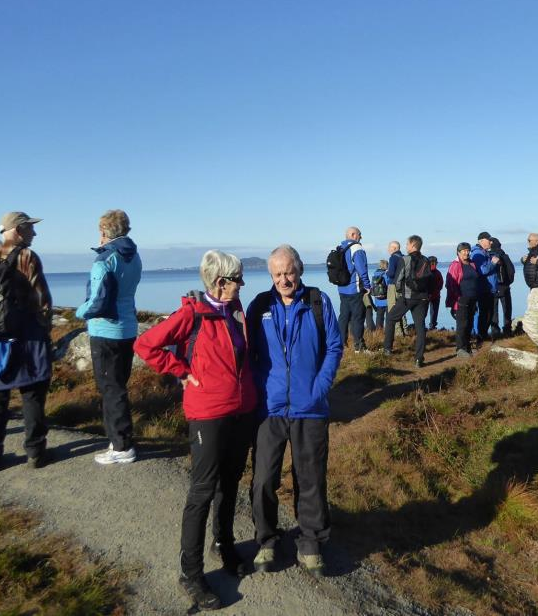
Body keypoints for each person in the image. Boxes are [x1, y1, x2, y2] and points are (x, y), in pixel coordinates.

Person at [133, 250, 256, 611]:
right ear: (220, 282)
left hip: (240, 410)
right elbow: (146, 345)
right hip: (208, 414)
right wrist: (181, 371)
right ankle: (191, 572)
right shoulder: (192, 314)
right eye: (237, 280)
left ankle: (225, 546)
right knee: (202, 491)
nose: (242, 285)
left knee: (231, 482)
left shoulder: (235, 310)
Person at [247, 245, 343, 577]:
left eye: (289, 272)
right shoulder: (260, 306)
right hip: (269, 409)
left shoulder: (318, 302)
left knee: (311, 478)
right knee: (263, 479)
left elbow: (334, 345)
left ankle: (312, 542)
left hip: (310, 408)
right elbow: (248, 353)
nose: (284, 279)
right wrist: (260, 387)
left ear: (299, 269)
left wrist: (319, 388)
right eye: (277, 274)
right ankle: (267, 540)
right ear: (270, 274)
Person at [0, 212, 53, 473]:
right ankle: (35, 452)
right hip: (27, 337)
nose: (34, 234)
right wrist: (45, 331)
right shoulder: (28, 257)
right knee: (32, 394)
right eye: (30, 229)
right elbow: (43, 300)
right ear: (17, 230)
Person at [75, 209, 142, 465]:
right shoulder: (134, 257)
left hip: (105, 330)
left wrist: (80, 312)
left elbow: (97, 301)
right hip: (127, 328)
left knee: (110, 388)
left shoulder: (105, 259)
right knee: (118, 385)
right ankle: (117, 439)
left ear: (104, 231)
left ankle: (122, 446)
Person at [383, 235, 431, 367]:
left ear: (412, 245)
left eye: (407, 244)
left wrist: (400, 291)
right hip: (422, 298)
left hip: (408, 297)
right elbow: (429, 279)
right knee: (420, 327)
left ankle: (387, 349)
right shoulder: (426, 260)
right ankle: (419, 359)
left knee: (391, 318)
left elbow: (398, 279)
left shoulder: (405, 259)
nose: (406, 246)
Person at [336, 226, 371, 353]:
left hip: (342, 289)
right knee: (358, 317)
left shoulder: (340, 248)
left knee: (344, 316)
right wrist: (367, 286)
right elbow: (362, 269)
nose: (361, 237)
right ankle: (359, 347)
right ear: (353, 234)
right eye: (359, 234)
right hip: (354, 288)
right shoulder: (356, 248)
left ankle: (340, 344)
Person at [445, 243, 478, 356]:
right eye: (463, 250)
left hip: (473, 298)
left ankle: (467, 346)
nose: (466, 252)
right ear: (458, 252)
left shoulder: (472, 264)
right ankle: (460, 348)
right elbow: (450, 284)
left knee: (469, 323)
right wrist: (457, 298)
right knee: (462, 324)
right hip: (461, 299)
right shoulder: (455, 265)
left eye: (468, 250)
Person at [471, 232, 500, 347]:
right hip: (483, 289)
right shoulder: (478, 254)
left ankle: (482, 337)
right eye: (489, 239)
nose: (491, 242)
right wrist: (493, 263)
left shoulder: (484, 253)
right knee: (484, 314)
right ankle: (479, 338)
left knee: (488, 314)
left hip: (488, 289)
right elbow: (482, 271)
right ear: (481, 241)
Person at [488, 239, 514, 339]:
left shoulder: (489, 255)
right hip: (505, 287)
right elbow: (512, 271)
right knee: (507, 310)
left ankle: (495, 332)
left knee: (494, 311)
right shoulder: (504, 256)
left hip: (493, 287)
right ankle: (507, 331)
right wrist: (508, 282)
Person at [370, 259, 389, 331]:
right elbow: (388, 284)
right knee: (388, 317)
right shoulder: (386, 275)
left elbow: (372, 286)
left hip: (378, 300)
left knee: (379, 317)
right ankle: (388, 331)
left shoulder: (375, 274)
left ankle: (378, 332)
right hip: (386, 299)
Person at [427, 256, 444, 330]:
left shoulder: (425, 272)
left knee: (423, 312)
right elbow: (441, 284)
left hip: (427, 295)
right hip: (435, 295)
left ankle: (422, 326)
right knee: (434, 312)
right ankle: (432, 326)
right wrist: (437, 290)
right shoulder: (438, 273)